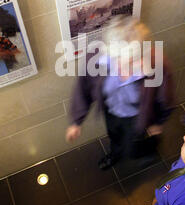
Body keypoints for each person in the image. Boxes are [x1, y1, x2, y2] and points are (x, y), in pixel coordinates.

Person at [65, 17, 176, 170]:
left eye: (140, 57)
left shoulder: (157, 62)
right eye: (132, 61)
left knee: (133, 146)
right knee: (114, 136)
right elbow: (83, 88)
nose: (140, 65)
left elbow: (165, 97)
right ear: (114, 55)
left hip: (138, 114)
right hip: (112, 112)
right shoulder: (96, 60)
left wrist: (158, 122)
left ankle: (148, 149)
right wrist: (76, 121)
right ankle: (115, 154)